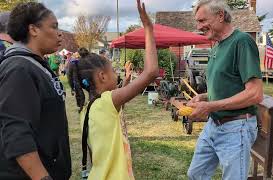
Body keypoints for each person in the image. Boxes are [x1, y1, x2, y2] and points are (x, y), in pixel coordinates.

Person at [67, 0, 158, 179]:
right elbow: (151, 72)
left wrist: (125, 80)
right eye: (112, 71)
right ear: (102, 76)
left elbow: (118, 107)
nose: (115, 74)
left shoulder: (88, 109)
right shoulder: (108, 102)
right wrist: (148, 28)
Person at [187, 0, 263, 179]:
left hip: (237, 127)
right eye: (198, 22)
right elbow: (228, 85)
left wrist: (211, 106)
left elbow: (255, 93)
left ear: (220, 15)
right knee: (196, 174)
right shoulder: (216, 46)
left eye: (202, 21)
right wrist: (205, 97)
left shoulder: (241, 42)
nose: (199, 27)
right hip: (214, 125)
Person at [0, 2, 71, 180]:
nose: (59, 32)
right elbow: (17, 134)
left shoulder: (36, 64)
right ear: (33, 30)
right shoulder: (19, 68)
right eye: (54, 26)